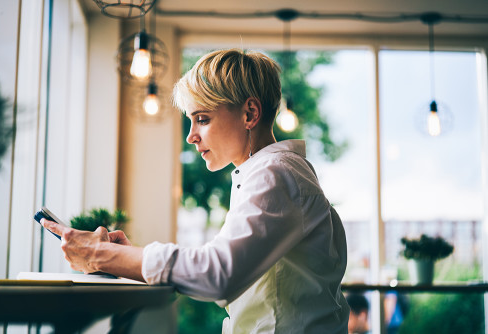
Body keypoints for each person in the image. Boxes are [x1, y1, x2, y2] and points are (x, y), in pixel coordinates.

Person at [42, 49, 349, 333]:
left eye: (202, 119)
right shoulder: (271, 173)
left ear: (249, 114)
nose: (190, 137)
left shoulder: (274, 175)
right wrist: (124, 256)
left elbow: (217, 275)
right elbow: (216, 267)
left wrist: (103, 254)